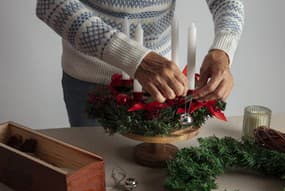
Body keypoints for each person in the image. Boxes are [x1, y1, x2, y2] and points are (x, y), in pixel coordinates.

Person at [36, 0, 244, 127]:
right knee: (99, 178)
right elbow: (51, 3)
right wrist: (135, 58)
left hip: (161, 85)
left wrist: (223, 50)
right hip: (92, 81)